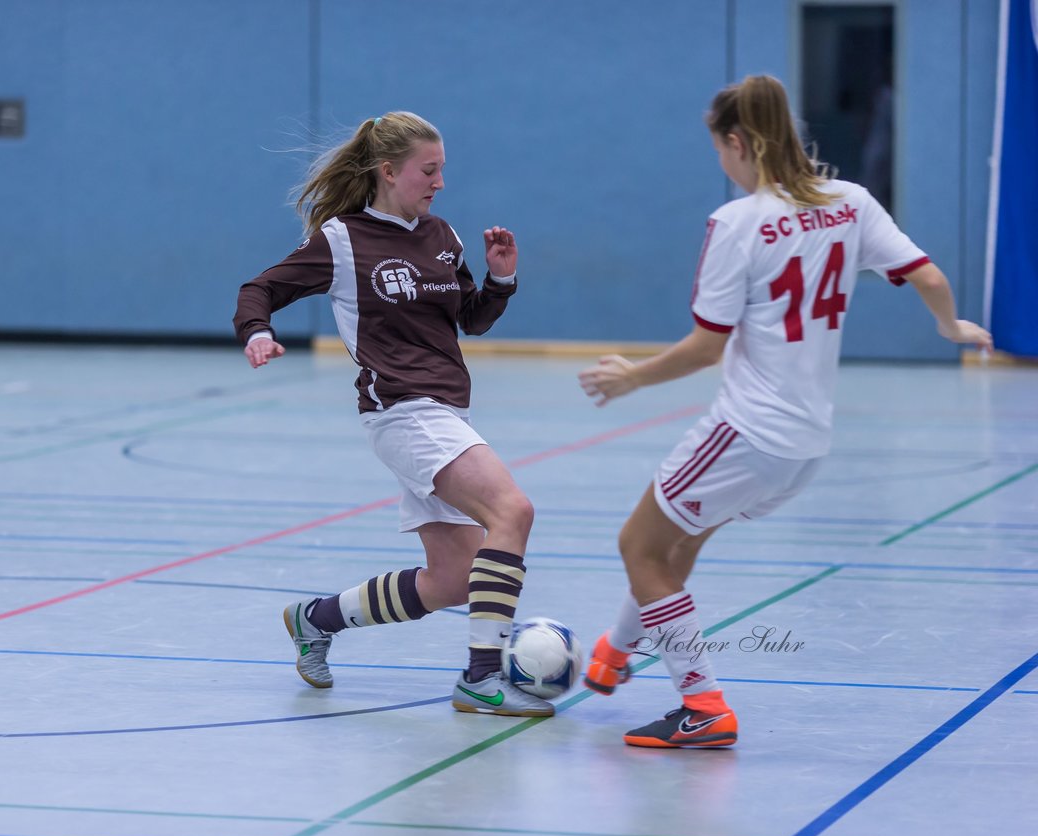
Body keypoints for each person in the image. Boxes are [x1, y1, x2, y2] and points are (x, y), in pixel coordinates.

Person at [577, 75, 992, 748]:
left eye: (719, 148)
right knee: (679, 542)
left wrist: (633, 378)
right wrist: (950, 328)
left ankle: (703, 704)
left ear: (737, 142)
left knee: (639, 545)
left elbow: (706, 347)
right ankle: (615, 652)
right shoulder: (849, 201)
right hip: (806, 445)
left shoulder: (736, 223)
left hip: (747, 429)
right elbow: (929, 276)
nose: (720, 161)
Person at [233, 111, 552, 716]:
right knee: (512, 510)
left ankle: (315, 619)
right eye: (428, 171)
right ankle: (482, 677)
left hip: (445, 411)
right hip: (402, 410)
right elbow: (260, 288)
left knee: (453, 581)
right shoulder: (342, 240)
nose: (439, 182)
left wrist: (501, 281)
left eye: (442, 170)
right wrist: (256, 331)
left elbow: (470, 320)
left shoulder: (441, 235)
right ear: (388, 171)